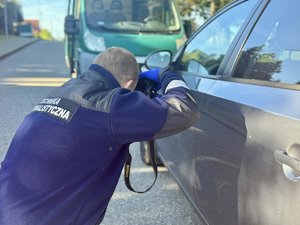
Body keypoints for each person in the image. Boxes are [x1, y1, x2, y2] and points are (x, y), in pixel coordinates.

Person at [0, 47, 200, 225]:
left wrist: (129, 91)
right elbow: (186, 110)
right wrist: (167, 75)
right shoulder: (111, 106)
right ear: (128, 84)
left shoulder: (63, 90)